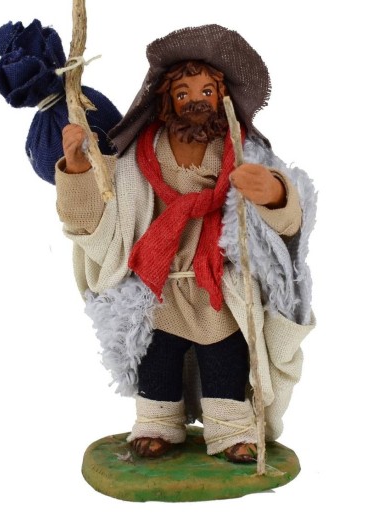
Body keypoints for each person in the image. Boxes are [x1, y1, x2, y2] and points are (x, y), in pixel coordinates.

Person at [55, 25, 316, 463]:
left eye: (206, 91)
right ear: (166, 101)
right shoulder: (137, 161)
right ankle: (157, 426)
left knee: (225, 358)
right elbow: (92, 221)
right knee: (157, 358)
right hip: (159, 287)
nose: (196, 101)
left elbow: (291, 220)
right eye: (183, 93)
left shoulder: (242, 152)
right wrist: (80, 168)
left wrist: (272, 193)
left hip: (219, 289)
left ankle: (232, 431)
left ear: (222, 96)